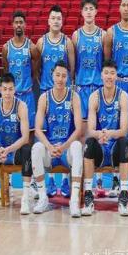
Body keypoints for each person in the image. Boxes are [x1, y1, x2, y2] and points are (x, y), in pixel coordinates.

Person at [31, 61, 83, 217]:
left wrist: (64, 146)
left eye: (64, 76)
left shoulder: (74, 97)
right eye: (58, 75)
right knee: (36, 148)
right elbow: (37, 129)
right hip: (51, 150)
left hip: (66, 151)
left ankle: (74, 201)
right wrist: (49, 146)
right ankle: (43, 198)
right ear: (52, 75)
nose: (60, 79)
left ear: (68, 78)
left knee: (77, 146)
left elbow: (79, 129)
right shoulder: (44, 98)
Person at [81, 60, 128, 216]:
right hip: (100, 147)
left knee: (125, 142)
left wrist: (109, 133)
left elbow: (124, 130)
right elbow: (90, 130)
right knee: (89, 143)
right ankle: (88, 195)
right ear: (101, 75)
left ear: (116, 76)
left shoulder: (123, 96)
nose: (109, 76)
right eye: (106, 73)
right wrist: (100, 135)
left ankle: (123, 195)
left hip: (116, 147)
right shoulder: (94, 97)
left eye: (112, 73)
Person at [36, 4, 75, 198]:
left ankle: (66, 180)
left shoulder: (67, 42)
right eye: (53, 18)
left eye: (59, 18)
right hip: (47, 91)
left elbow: (71, 68)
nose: (56, 21)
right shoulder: (41, 42)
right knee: (46, 134)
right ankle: (50, 179)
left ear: (62, 21)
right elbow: (37, 68)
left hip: (64, 92)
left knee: (66, 131)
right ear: (48, 21)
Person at [0, 73, 32, 215]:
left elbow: (25, 137)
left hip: (15, 151)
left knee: (27, 150)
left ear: (15, 89)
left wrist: (9, 149)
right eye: (5, 89)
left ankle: (25, 198)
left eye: (10, 89)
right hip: (0, 151)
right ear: (0, 90)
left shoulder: (21, 106)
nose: (8, 93)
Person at [103, 0, 128, 197]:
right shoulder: (111, 32)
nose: (126, 8)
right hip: (117, 84)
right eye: (123, 5)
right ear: (119, 8)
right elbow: (108, 61)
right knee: (116, 129)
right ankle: (116, 179)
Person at [72, 0, 106, 196]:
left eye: (92, 9)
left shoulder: (103, 35)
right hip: (82, 88)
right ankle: (87, 181)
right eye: (86, 9)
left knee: (101, 132)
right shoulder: (76, 36)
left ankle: (101, 180)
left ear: (96, 11)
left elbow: (107, 62)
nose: (89, 12)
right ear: (82, 12)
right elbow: (74, 65)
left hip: (98, 88)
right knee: (85, 135)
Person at [2, 10, 39, 134]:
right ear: (13, 25)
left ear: (25, 25)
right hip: (12, 96)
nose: (18, 25)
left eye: (21, 22)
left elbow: (36, 67)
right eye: (16, 22)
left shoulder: (31, 47)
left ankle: (28, 149)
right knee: (12, 131)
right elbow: (6, 71)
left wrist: (30, 80)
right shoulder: (6, 48)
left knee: (30, 130)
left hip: (27, 95)